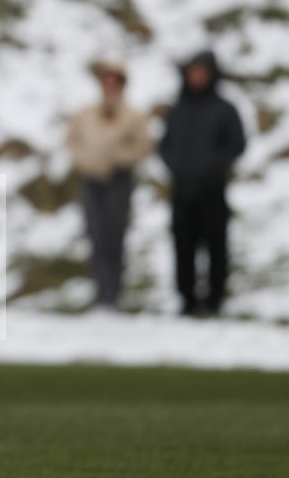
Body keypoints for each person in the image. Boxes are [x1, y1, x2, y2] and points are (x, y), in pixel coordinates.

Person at [159, 50, 245, 316]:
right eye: (192, 71)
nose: (196, 77)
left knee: (216, 246)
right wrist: (178, 169)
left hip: (212, 190)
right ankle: (186, 300)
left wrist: (212, 169)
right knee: (183, 246)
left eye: (202, 71)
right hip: (182, 190)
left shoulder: (225, 109)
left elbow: (236, 144)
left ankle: (215, 300)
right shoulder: (178, 109)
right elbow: (165, 146)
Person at [67, 57, 152, 310]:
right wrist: (86, 162)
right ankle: (100, 291)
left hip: (119, 180)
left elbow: (142, 146)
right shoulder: (85, 114)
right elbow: (73, 143)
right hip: (92, 180)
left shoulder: (134, 116)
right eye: (106, 80)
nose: (110, 85)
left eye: (115, 80)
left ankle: (114, 293)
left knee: (115, 235)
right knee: (96, 234)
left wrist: (117, 159)